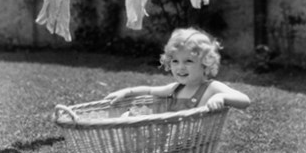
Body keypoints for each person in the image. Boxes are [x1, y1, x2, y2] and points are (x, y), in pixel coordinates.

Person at [105, 27, 250, 113]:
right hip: (172, 145)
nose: (180, 67)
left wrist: (221, 97)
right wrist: (126, 92)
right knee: (130, 116)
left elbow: (245, 100)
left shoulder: (211, 88)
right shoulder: (176, 89)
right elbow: (149, 91)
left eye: (188, 61)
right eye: (175, 61)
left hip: (194, 146)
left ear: (205, 62)